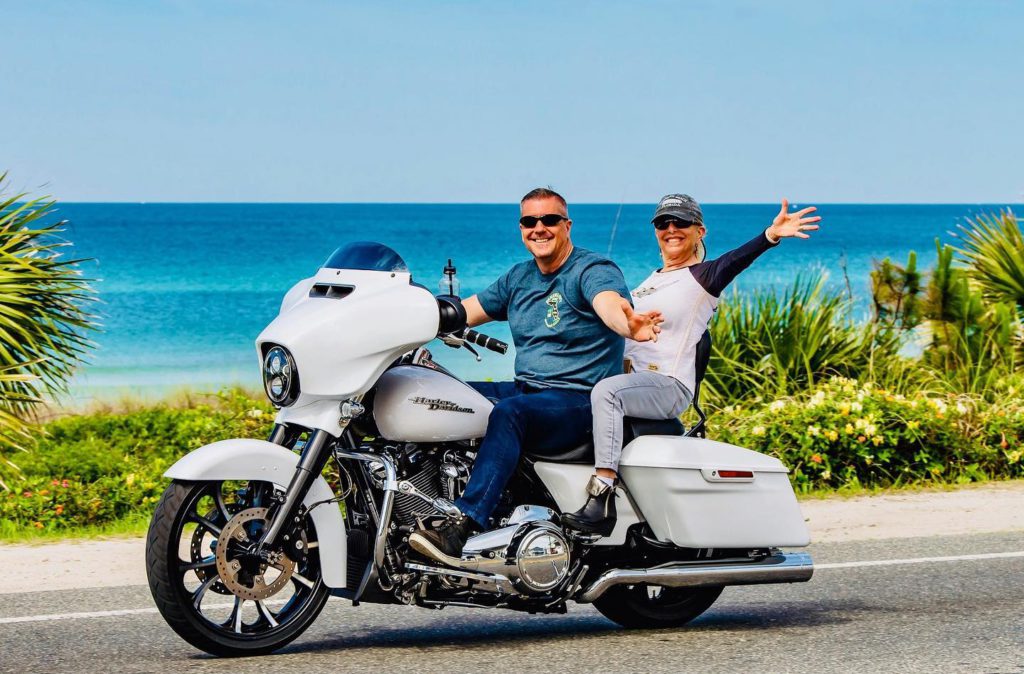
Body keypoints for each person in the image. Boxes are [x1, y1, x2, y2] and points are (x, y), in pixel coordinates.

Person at [409, 187, 661, 561]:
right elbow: (465, 310)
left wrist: (628, 323)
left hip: (579, 402)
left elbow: (607, 302)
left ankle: (464, 522)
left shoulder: (591, 270)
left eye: (550, 220)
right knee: (434, 393)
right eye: (530, 221)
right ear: (521, 227)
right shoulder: (519, 278)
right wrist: (403, 320)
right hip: (530, 391)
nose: (539, 228)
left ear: (567, 225)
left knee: (510, 414)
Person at [561, 194, 821, 535]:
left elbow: (736, 260)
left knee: (607, 393)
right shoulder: (648, 283)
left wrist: (769, 237)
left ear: (699, 231)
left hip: (668, 385)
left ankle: (602, 495)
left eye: (681, 222)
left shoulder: (703, 277)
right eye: (663, 223)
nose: (671, 229)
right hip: (634, 384)